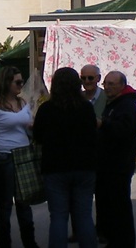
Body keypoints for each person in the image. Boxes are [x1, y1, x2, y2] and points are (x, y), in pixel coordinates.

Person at [34, 67, 98, 248]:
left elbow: (38, 137)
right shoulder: (86, 107)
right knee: (84, 215)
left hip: (55, 167)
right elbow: (93, 135)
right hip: (84, 166)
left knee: (58, 216)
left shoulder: (47, 109)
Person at [0, 66, 39, 248]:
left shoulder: (23, 103)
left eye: (22, 81)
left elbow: (27, 125)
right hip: (3, 157)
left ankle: (30, 242)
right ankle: (5, 242)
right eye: (18, 82)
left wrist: (31, 129)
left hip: (23, 156)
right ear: (7, 83)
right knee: (4, 204)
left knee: (24, 202)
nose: (21, 85)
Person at [95, 70, 136, 248]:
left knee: (119, 207)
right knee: (110, 206)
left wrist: (103, 124)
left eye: (111, 84)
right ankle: (113, 239)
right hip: (108, 164)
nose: (107, 87)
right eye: (105, 83)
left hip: (119, 165)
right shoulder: (114, 103)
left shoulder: (127, 105)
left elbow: (124, 131)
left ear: (122, 85)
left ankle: (123, 242)